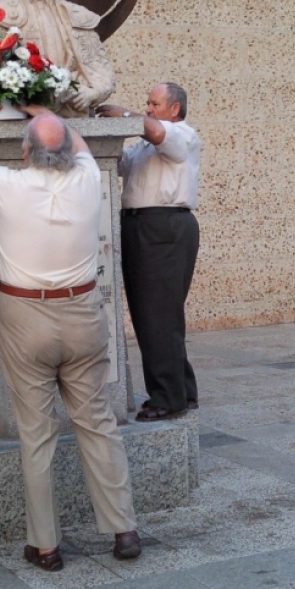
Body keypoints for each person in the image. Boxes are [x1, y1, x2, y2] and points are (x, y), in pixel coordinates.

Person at [0, 104, 141, 571]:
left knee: (36, 434)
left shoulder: (6, 185)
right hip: (82, 312)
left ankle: (46, 545)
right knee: (97, 422)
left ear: (25, 152)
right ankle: (124, 529)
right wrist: (47, 111)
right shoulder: (85, 180)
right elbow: (79, 145)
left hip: (26, 314)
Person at [96, 84, 201, 422]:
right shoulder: (144, 145)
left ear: (174, 109)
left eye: (155, 103)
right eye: (147, 103)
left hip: (163, 226)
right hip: (141, 226)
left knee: (158, 315)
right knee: (156, 314)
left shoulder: (181, 134)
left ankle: (169, 399)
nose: (149, 108)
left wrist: (125, 115)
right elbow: (120, 162)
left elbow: (155, 131)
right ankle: (183, 389)